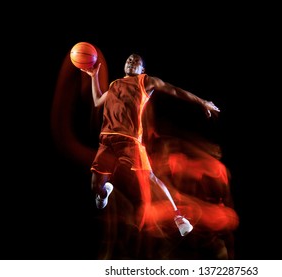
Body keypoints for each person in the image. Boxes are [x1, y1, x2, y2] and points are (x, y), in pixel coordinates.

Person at [81, 53, 220, 237]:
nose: (131, 62)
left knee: (150, 179)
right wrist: (94, 77)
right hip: (107, 140)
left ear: (142, 69)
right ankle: (103, 192)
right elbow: (98, 101)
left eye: (136, 61)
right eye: (129, 60)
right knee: (95, 186)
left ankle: (178, 217)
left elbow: (175, 90)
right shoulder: (115, 84)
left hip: (130, 140)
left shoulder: (146, 81)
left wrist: (201, 102)